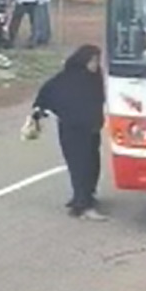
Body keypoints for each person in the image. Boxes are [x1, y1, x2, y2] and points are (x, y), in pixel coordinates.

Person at [32, 45, 107, 221]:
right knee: (80, 167)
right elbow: (46, 95)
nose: (95, 64)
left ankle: (86, 196)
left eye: (97, 60)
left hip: (91, 130)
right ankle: (82, 207)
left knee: (92, 165)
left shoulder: (94, 78)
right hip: (72, 131)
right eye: (92, 61)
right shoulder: (67, 78)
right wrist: (39, 113)